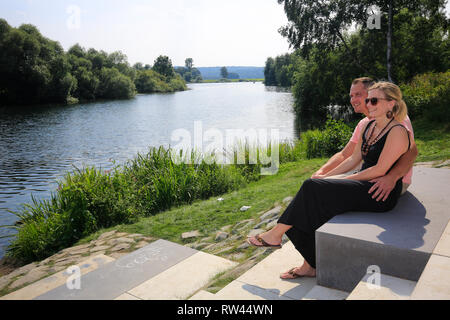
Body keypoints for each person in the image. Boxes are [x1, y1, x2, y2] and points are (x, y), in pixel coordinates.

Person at [247, 81, 412, 279]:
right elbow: (352, 158)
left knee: (311, 190)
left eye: (374, 100)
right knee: (310, 202)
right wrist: (327, 176)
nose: (369, 104)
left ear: (391, 104)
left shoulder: (398, 131)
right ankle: (310, 263)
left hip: (379, 192)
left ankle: (276, 235)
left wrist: (346, 180)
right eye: (368, 100)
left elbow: (380, 169)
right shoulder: (368, 126)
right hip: (363, 184)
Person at [313, 77, 418, 201]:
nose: (353, 100)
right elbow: (345, 154)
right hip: (366, 176)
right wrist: (321, 173)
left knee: (321, 193)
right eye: (351, 96)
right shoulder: (364, 124)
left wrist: (392, 177)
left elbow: (412, 152)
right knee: (316, 187)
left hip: (389, 184)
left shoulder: (395, 119)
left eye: (358, 94)